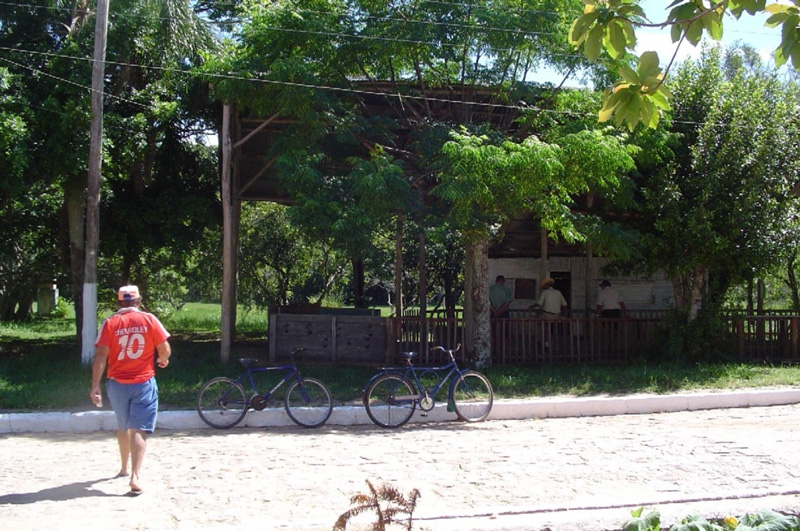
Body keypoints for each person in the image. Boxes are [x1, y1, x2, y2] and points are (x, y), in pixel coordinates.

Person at [90, 285, 171, 496]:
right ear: (139, 301)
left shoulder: (110, 323)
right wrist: (163, 359)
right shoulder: (149, 319)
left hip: (117, 384)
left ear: (119, 303)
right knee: (139, 429)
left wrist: (95, 385)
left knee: (123, 425)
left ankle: (124, 467)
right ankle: (135, 475)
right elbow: (163, 348)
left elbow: (100, 355)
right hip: (143, 382)